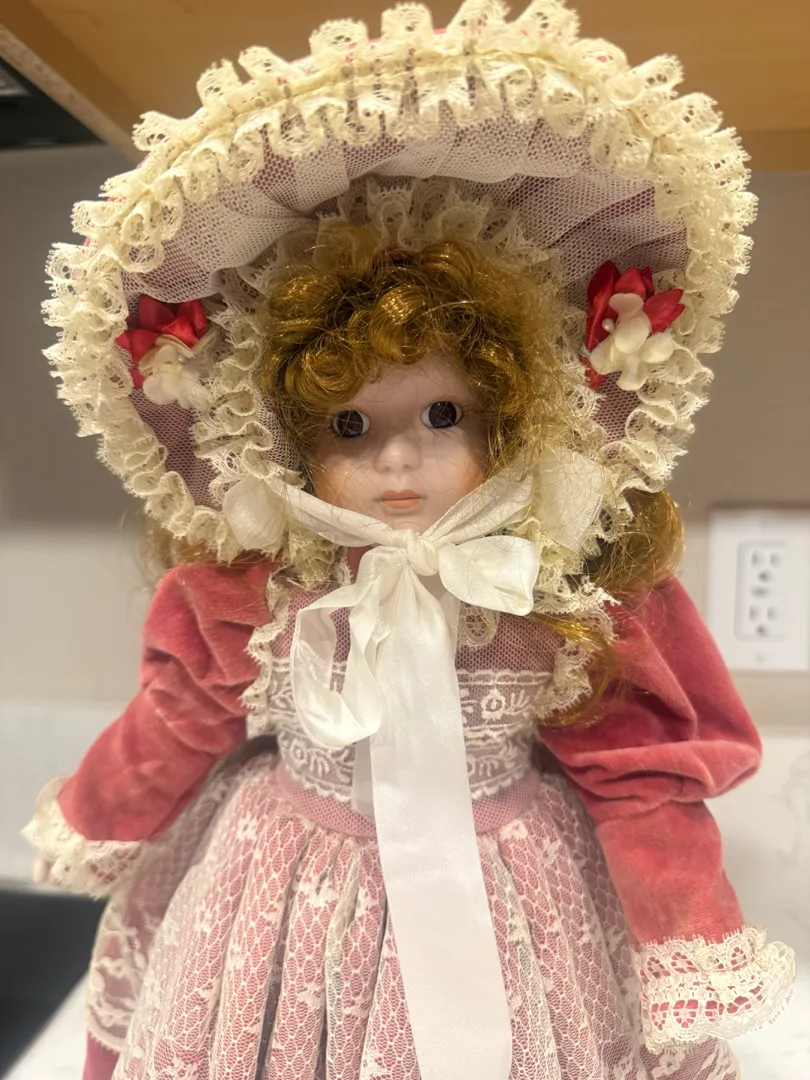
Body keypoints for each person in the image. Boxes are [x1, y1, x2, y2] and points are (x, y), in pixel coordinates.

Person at [24, 4, 794, 1079]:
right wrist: (99, 818)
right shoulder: (260, 590)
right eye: (349, 428)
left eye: (441, 416)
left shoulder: (556, 588)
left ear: (509, 413)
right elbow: (178, 716)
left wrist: (683, 936)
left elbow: (640, 770)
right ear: (286, 437)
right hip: (286, 885)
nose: (396, 461)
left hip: (508, 886)